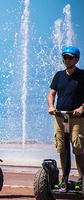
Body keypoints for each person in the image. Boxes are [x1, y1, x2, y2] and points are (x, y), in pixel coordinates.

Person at [47, 46, 84, 190]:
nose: (67, 60)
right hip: (60, 116)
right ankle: (65, 177)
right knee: (61, 147)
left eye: (70, 58)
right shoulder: (59, 75)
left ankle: (81, 178)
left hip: (77, 117)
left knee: (77, 147)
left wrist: (82, 108)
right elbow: (51, 94)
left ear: (76, 59)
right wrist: (51, 106)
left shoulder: (82, 76)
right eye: (65, 58)